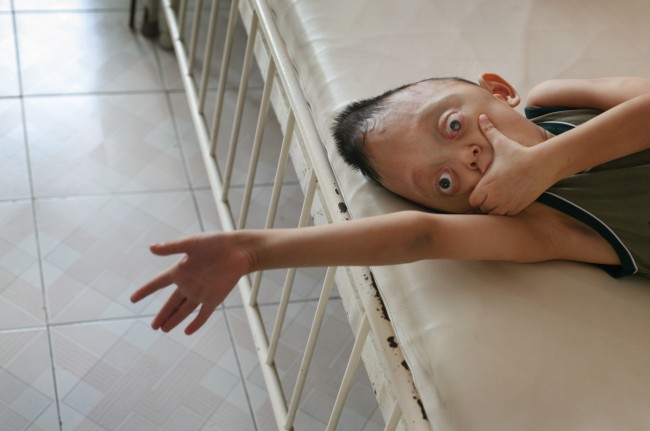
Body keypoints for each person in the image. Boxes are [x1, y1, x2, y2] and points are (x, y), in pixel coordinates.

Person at [131, 74, 650, 335]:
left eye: (451, 124)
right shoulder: (546, 224)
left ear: (499, 90)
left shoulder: (558, 97)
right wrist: (255, 252)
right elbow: (420, 235)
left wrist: (549, 160)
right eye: (444, 182)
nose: (465, 158)